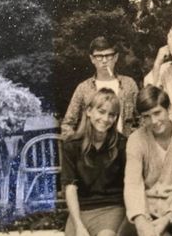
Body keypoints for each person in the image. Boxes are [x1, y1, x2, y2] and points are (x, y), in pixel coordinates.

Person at [118, 85, 172, 236]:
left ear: (168, 108)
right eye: (146, 116)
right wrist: (140, 219)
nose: (154, 121)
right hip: (147, 206)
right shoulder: (136, 139)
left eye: (157, 113)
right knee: (127, 233)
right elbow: (132, 185)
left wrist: (169, 217)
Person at [61, 88, 127, 236]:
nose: (106, 119)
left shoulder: (122, 144)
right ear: (89, 111)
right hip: (80, 210)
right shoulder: (72, 145)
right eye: (101, 111)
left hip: (111, 208)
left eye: (112, 115)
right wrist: (78, 225)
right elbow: (70, 188)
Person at [61, 36, 139, 139]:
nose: (104, 61)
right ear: (92, 59)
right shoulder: (83, 88)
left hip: (124, 146)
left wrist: (134, 140)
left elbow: (142, 117)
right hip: (93, 149)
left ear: (116, 57)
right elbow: (67, 124)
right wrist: (79, 143)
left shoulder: (129, 84)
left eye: (109, 56)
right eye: (99, 56)